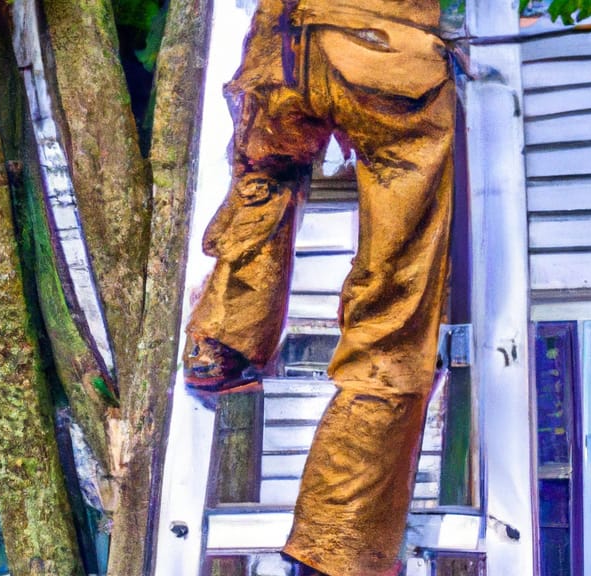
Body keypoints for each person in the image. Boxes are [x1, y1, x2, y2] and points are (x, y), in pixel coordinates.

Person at [184, 0, 455, 571]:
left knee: (267, 175)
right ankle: (338, 541)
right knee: (395, 302)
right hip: (384, 51)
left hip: (279, 47)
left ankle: (221, 343)